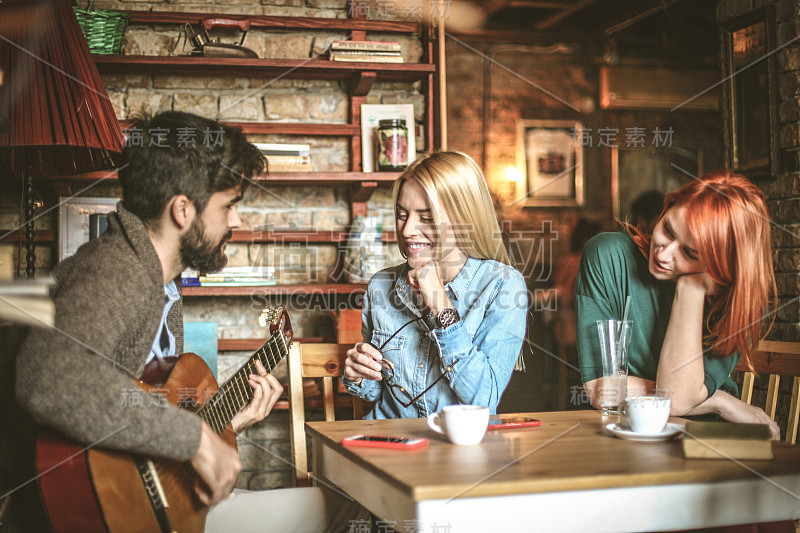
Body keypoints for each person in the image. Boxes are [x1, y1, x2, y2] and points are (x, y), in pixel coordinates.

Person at [5, 111, 360, 532]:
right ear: (183, 209)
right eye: (228, 206)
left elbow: (132, 414)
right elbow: (50, 377)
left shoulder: (162, 287)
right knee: (348, 507)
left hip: (134, 505)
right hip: (61, 517)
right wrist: (195, 440)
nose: (236, 221)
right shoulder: (115, 271)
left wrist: (224, 427)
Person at [575, 170, 780, 439]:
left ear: (720, 265)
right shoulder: (608, 256)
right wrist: (721, 400)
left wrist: (690, 288)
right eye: (668, 230)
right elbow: (603, 391)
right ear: (668, 208)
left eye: (690, 252)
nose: (664, 252)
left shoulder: (741, 305)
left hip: (705, 438)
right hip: (622, 432)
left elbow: (678, 400)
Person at [341, 151, 528, 419]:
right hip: (389, 446)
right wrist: (357, 374)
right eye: (402, 215)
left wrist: (441, 306)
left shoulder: (502, 286)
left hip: (459, 452)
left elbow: (485, 400)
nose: (407, 231)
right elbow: (375, 391)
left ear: (465, 218)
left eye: (426, 217)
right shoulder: (380, 286)